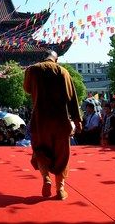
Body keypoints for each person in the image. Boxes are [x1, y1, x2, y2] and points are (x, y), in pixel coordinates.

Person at [24, 50, 82, 200]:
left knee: (40, 151)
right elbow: (72, 97)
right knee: (62, 155)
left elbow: (27, 89)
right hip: (60, 121)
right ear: (56, 59)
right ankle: (60, 189)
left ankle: (46, 179)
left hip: (40, 121)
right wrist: (77, 120)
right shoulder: (63, 72)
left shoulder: (33, 70)